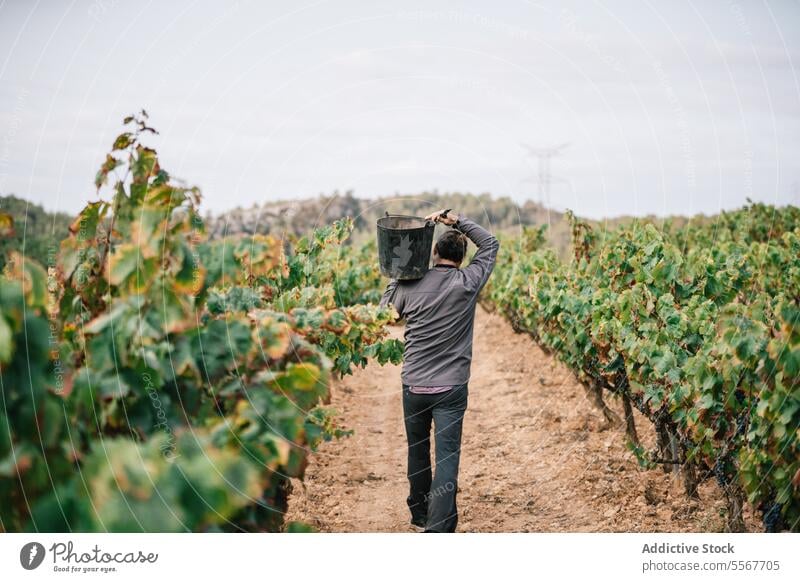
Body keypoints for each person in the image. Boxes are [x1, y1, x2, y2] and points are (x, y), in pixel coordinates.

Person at [380, 209, 500, 532]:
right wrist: (456, 220)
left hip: (414, 387)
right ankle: (439, 529)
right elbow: (490, 245)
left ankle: (419, 514)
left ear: (433, 253)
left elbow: (382, 316)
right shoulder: (468, 282)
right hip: (451, 389)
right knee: (447, 457)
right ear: (462, 258)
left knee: (418, 451)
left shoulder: (409, 284)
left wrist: (398, 272)